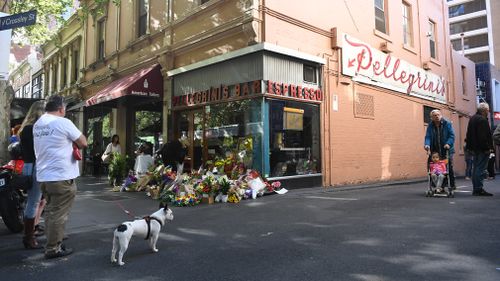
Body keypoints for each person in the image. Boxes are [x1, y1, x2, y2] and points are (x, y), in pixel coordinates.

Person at [33, 95, 88, 259]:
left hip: (44, 175)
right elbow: (83, 142)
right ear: (61, 109)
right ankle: (53, 248)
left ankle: (53, 241)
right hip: (61, 176)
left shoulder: (38, 124)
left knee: (50, 211)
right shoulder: (63, 122)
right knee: (58, 214)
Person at [18, 101, 46, 249]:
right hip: (36, 166)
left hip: (28, 166)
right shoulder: (35, 129)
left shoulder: (25, 129)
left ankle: (31, 232)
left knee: (35, 201)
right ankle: (28, 237)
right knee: (34, 202)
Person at [465, 102, 494, 196]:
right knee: (480, 169)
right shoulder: (482, 120)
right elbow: (483, 137)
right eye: (487, 110)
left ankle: (476, 189)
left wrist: (469, 147)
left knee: (476, 168)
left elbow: (468, 134)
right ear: (485, 110)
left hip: (474, 148)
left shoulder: (473, 118)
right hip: (481, 149)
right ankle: (478, 189)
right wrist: (487, 148)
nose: (488, 112)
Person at [424, 109, 456, 189]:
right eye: (434, 115)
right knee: (434, 167)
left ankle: (451, 184)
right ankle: (436, 184)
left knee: (447, 167)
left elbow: (452, 136)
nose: (437, 116)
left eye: (438, 114)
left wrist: (448, 143)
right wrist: (427, 145)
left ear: (441, 115)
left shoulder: (447, 123)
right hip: (435, 151)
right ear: (431, 117)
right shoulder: (430, 126)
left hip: (446, 150)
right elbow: (427, 137)